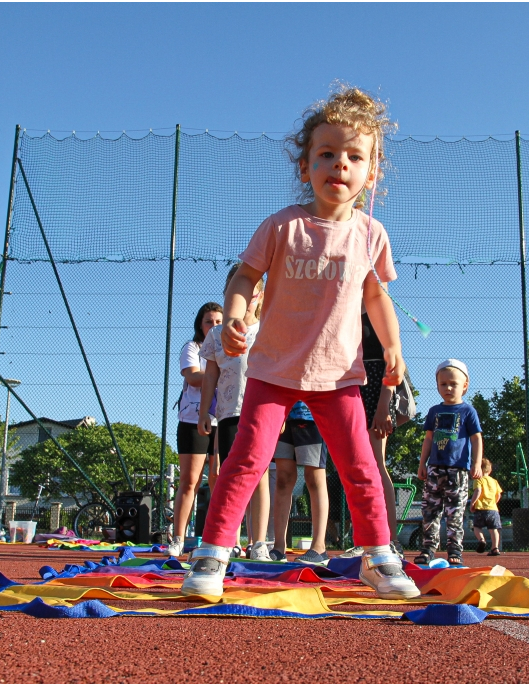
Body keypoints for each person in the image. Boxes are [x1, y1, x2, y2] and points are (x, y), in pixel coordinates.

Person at [181, 86, 421, 600]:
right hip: (272, 370)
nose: (340, 165)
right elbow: (244, 278)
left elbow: (376, 297)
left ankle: (378, 557)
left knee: (359, 466)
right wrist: (238, 316)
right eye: (327, 154)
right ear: (306, 166)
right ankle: (212, 554)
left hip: (340, 375)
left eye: (355, 156)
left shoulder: (371, 234)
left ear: (372, 171)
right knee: (245, 460)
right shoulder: (282, 226)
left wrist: (394, 345)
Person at [196, 264, 270, 560]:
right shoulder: (216, 335)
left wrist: (281, 416)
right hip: (228, 414)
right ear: (228, 293)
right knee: (229, 475)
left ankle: (259, 542)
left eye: (254, 288)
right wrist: (205, 412)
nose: (247, 293)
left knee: (261, 476)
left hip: (262, 412)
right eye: (239, 287)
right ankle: (231, 539)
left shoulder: (269, 328)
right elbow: (210, 376)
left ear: (261, 295)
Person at [337, 311, 402, 559]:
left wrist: (383, 405)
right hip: (351, 386)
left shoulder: (380, 313)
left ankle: (392, 539)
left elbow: (393, 363)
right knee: (355, 466)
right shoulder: (345, 310)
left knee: (375, 464)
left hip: (376, 390)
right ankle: (364, 538)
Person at [415, 359, 483, 566]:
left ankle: (454, 550)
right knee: (430, 510)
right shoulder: (434, 411)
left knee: (455, 512)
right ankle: (428, 549)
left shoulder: (467, 411)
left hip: (458, 470)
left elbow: (476, 438)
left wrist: (476, 463)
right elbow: (428, 438)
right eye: (443, 384)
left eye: (453, 383)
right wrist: (422, 464)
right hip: (435, 469)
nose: (448, 388)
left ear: (465, 385)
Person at [168, 302, 222, 556]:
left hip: (224, 421)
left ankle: (219, 540)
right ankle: (178, 539)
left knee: (219, 480)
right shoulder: (192, 348)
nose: (214, 326)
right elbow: (192, 377)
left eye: (219, 322)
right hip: (192, 420)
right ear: (200, 326)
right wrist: (216, 374)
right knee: (190, 481)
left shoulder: (231, 350)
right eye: (209, 321)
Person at [272, 401, 330, 563]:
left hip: (312, 414)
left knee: (314, 479)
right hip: (282, 413)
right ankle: (278, 547)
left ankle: (319, 548)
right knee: (283, 479)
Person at [469, 458, 503, 556]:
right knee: (494, 529)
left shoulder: (478, 480)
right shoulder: (494, 481)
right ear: (490, 469)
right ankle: (495, 548)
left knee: (477, 527)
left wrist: (472, 503)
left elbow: (478, 491)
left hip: (480, 509)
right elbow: (498, 495)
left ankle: (481, 540)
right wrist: (494, 503)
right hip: (493, 509)